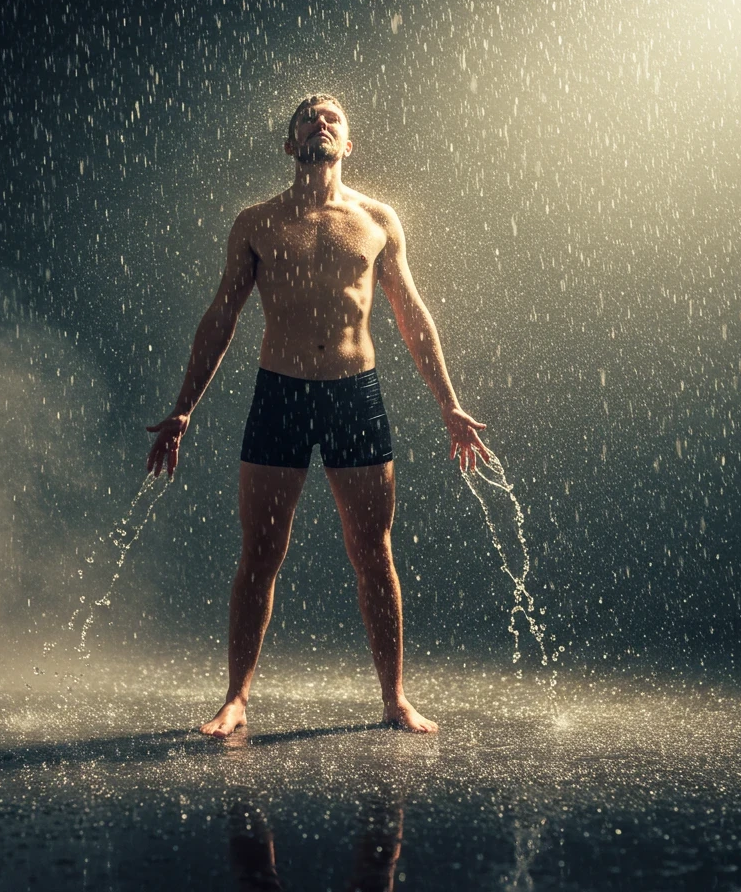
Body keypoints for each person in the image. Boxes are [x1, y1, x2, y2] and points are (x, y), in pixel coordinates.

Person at [147, 94, 490, 737]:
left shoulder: (377, 220)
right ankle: (236, 698)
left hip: (352, 395)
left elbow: (411, 316)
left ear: (348, 143)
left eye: (332, 116)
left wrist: (450, 406)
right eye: (308, 116)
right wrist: (183, 409)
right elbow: (222, 316)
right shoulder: (256, 222)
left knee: (374, 552)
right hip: (279, 395)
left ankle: (394, 699)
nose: (320, 121)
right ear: (289, 144)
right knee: (260, 552)